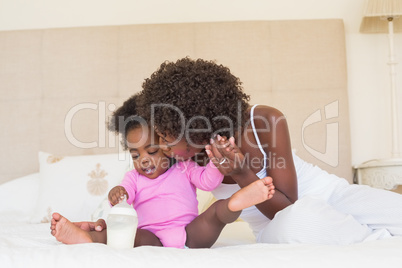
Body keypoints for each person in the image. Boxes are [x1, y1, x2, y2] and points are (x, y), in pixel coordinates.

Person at [134, 57, 402, 245]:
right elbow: (285, 215)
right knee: (301, 221)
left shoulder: (265, 120)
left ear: (194, 127)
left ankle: (363, 229)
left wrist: (241, 172)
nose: (162, 144)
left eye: (167, 134)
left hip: (330, 194)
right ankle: (377, 241)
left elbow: (289, 200)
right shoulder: (177, 163)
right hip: (276, 225)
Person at [50, 94, 275, 248]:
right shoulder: (133, 178)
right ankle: (86, 238)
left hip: (189, 233)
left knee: (217, 212)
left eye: (152, 151)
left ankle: (237, 202)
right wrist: (118, 193)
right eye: (136, 155)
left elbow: (207, 182)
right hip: (151, 235)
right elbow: (123, 195)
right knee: (123, 236)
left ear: (167, 146)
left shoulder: (184, 167)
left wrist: (216, 161)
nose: (144, 160)